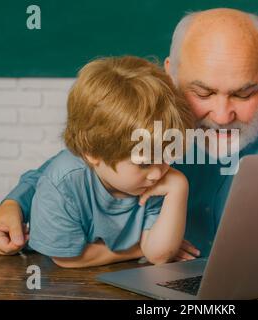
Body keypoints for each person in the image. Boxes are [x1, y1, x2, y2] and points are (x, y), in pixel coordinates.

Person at [0, 8, 258, 269]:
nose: (222, 115)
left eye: (246, 93)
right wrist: (15, 202)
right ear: (170, 72)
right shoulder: (157, 108)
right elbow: (83, 160)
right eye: (202, 92)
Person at [12, 56, 194, 268]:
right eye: (144, 163)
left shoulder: (156, 177)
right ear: (93, 153)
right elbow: (67, 258)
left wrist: (179, 188)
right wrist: (138, 249)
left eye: (167, 156)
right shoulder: (62, 183)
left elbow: (158, 255)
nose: (157, 173)